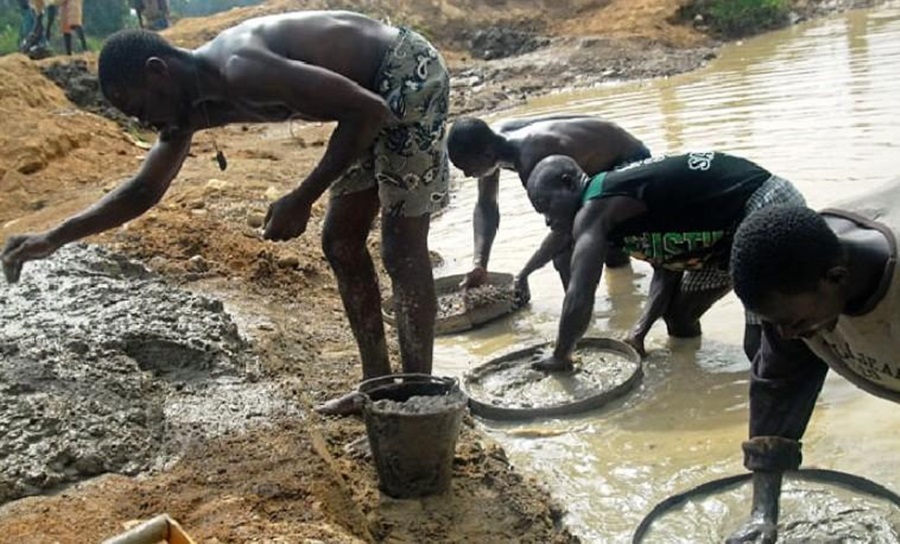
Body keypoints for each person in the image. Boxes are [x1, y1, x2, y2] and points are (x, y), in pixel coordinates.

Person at [0, 12, 450, 417]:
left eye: (140, 110)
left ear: (158, 72)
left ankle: (419, 395)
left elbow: (369, 110)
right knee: (340, 241)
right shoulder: (188, 108)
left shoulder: (240, 68)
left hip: (403, 71)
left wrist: (303, 196)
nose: (143, 124)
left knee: (400, 248)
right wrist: (54, 237)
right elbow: (143, 190)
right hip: (361, 103)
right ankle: (377, 386)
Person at [725, 184, 899, 544]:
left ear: (837, 278)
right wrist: (763, 515)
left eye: (795, 323)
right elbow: (777, 391)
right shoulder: (793, 267)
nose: (786, 335)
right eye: (776, 324)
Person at [522, 151, 805, 371]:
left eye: (547, 207)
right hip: (725, 241)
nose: (548, 220)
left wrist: (561, 355)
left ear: (569, 183)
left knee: (761, 344)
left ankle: (790, 402)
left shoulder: (596, 208)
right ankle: (692, 376)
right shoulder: (620, 207)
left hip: (764, 204)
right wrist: (638, 333)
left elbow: (580, 294)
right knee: (680, 317)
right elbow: (667, 267)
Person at [446, 115, 650, 297]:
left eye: (468, 168)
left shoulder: (533, 156)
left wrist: (524, 274)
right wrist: (480, 264)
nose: (467, 175)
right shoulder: (491, 141)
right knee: (595, 238)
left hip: (628, 160)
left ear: (487, 156)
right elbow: (486, 206)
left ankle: (584, 316)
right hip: (596, 157)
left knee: (566, 253)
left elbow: (562, 232)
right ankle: (612, 295)